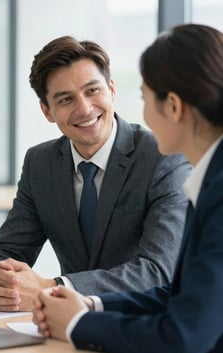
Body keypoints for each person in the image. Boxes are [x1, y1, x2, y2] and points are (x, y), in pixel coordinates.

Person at [33, 23, 223, 353]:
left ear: (174, 106)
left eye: (144, 98)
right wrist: (90, 306)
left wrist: (78, 325)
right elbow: (181, 295)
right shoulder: (209, 182)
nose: (142, 116)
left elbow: (185, 336)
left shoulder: (218, 193)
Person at [0, 35, 191, 312]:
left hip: (143, 323)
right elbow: (10, 248)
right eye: (65, 99)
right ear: (47, 111)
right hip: (67, 328)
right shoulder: (41, 162)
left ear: (111, 89)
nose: (84, 108)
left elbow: (157, 271)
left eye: (92, 91)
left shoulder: (163, 158)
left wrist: (52, 287)